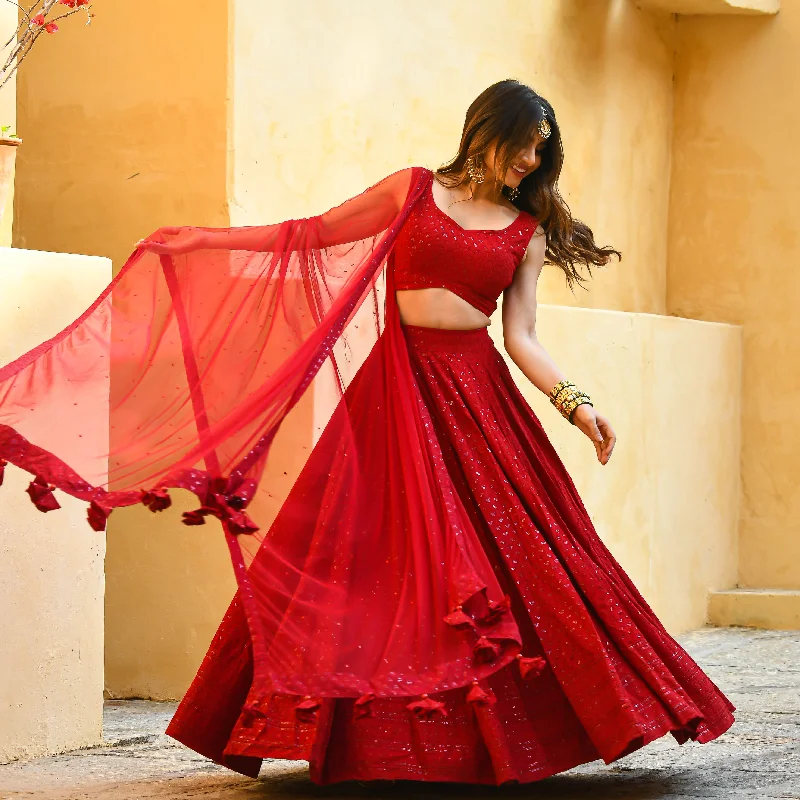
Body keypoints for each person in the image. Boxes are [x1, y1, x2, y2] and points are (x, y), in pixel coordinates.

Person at [0, 80, 734, 785]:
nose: (532, 161)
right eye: (525, 143)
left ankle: (525, 736)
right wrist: (203, 245)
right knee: (355, 554)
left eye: (544, 152)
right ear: (487, 130)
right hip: (393, 392)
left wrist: (577, 405)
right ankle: (368, 744)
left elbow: (523, 338)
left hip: (479, 398)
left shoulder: (526, 231)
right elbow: (312, 237)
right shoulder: (412, 191)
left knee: (523, 558)